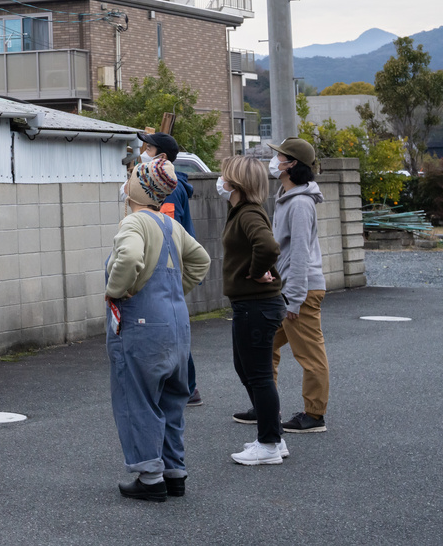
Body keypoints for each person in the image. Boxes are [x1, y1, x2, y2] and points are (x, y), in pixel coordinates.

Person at [105, 157, 211, 502]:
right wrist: (179, 289)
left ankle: (150, 477)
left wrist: (116, 290)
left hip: (143, 325)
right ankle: (174, 472)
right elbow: (201, 260)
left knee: (138, 397)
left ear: (137, 188)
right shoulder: (171, 225)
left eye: (131, 178)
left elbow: (129, 257)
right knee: (172, 400)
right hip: (177, 322)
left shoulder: (134, 221)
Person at [217, 156, 289, 466]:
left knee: (258, 375)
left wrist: (257, 272)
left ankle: (269, 444)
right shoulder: (242, 212)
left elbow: (268, 247)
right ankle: (273, 436)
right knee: (247, 370)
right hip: (251, 305)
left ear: (235, 182)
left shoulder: (247, 213)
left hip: (257, 305)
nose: (221, 181)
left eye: (224, 176)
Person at [268, 137, 330, 434]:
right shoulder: (286, 197)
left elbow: (301, 253)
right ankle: (266, 404)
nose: (274, 161)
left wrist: (294, 298)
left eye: (279, 156)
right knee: (264, 344)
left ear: (292, 164)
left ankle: (314, 415)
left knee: (309, 354)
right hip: (289, 289)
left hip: (300, 291)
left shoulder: (301, 203)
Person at [137, 131, 203, 406]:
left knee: (170, 326)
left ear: (161, 156)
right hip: (171, 265)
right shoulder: (167, 184)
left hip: (168, 266)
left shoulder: (168, 189)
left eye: (148, 148)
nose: (143, 152)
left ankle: (187, 386)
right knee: (171, 325)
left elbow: (166, 228)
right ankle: (185, 386)